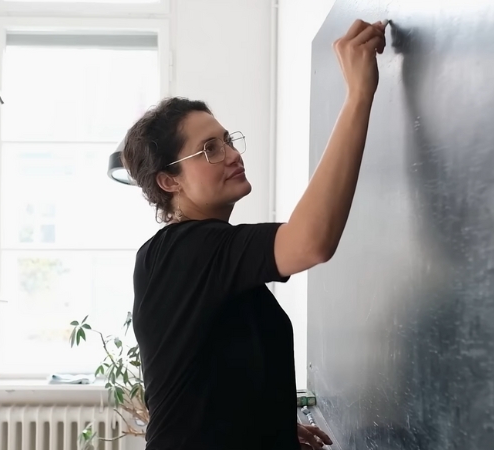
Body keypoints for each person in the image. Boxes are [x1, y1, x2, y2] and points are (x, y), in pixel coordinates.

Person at [121, 18, 388, 450]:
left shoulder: (206, 256)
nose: (231, 154)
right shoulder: (182, 249)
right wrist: (359, 94)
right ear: (170, 181)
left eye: (227, 140)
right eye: (210, 148)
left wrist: (265, 424)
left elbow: (213, 378)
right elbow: (310, 241)